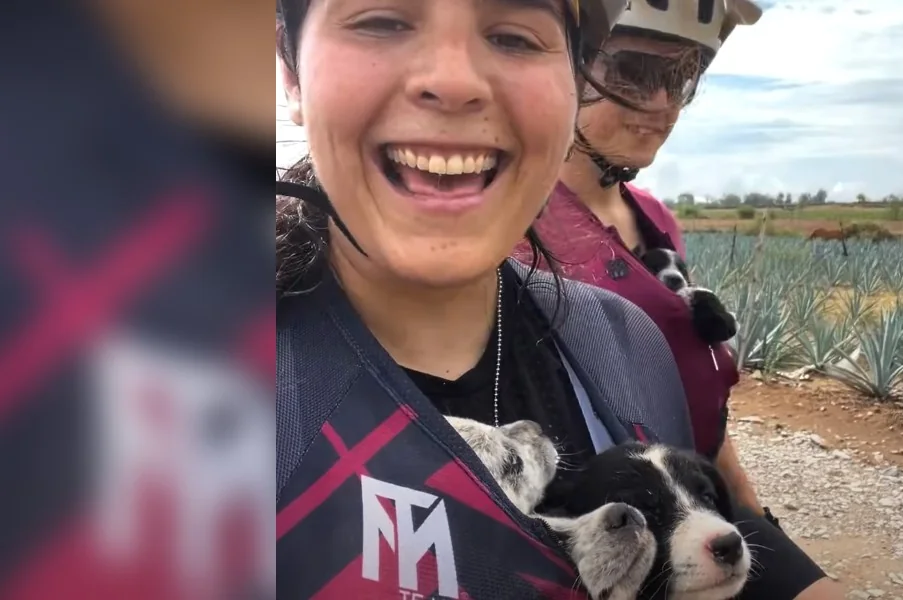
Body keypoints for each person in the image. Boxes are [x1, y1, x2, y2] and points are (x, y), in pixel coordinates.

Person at [275, 0, 828, 597]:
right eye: (380, 20)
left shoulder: (623, 344)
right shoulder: (188, 410)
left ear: (573, 83)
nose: (453, 82)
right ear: (290, 71)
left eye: (514, 36)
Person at [513, 1, 845, 597]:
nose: (661, 104)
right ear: (568, 76)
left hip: (699, 507)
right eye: (632, 74)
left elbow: (697, 406)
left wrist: (747, 507)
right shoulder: (515, 229)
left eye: (679, 79)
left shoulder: (657, 221)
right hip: (612, 542)